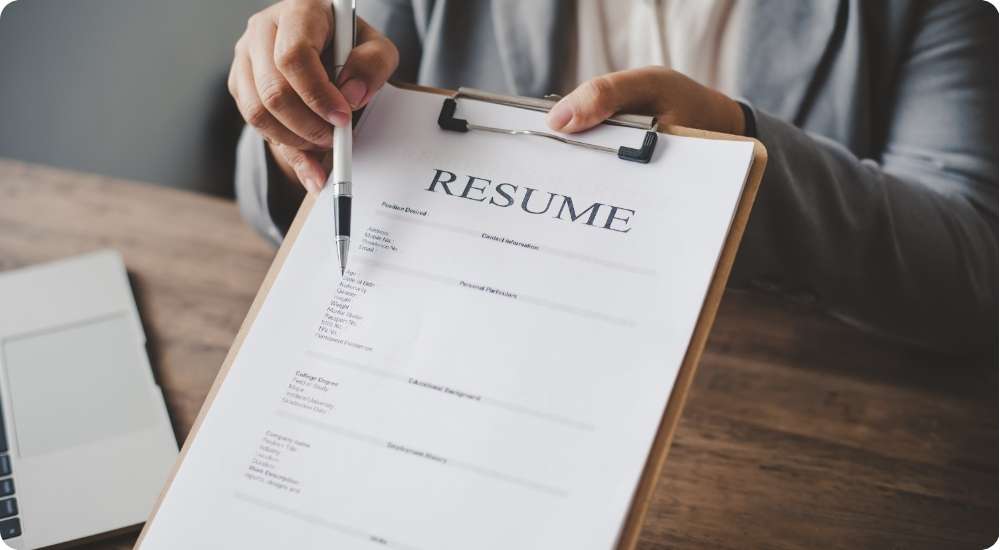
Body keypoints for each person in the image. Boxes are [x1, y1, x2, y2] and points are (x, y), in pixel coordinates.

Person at [229, 0, 997, 353]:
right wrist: (299, 113)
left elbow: (973, 262)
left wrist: (738, 151)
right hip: (471, 350)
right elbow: (277, 191)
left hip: (785, 394)